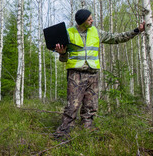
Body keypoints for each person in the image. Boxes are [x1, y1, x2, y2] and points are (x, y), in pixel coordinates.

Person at [54, 9, 145, 137]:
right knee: (72, 106)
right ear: (81, 22)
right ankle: (63, 133)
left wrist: (136, 31)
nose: (92, 20)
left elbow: (116, 38)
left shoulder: (96, 32)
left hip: (93, 74)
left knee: (91, 106)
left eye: (91, 18)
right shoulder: (68, 33)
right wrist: (62, 53)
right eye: (89, 19)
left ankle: (87, 130)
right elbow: (63, 58)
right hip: (76, 74)